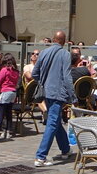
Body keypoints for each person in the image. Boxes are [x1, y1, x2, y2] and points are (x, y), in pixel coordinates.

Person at [31, 31, 74, 165]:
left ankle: (65, 149)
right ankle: (41, 156)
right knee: (52, 122)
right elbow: (67, 77)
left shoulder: (43, 53)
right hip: (58, 93)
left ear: (54, 39)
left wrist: (43, 82)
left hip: (46, 92)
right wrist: (72, 95)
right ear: (64, 41)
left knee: (54, 120)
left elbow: (34, 73)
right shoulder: (65, 54)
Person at [0, 54, 19, 139]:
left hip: (5, 92)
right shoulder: (16, 71)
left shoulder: (5, 70)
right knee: (9, 113)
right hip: (13, 92)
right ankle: (8, 131)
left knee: (0, 113)